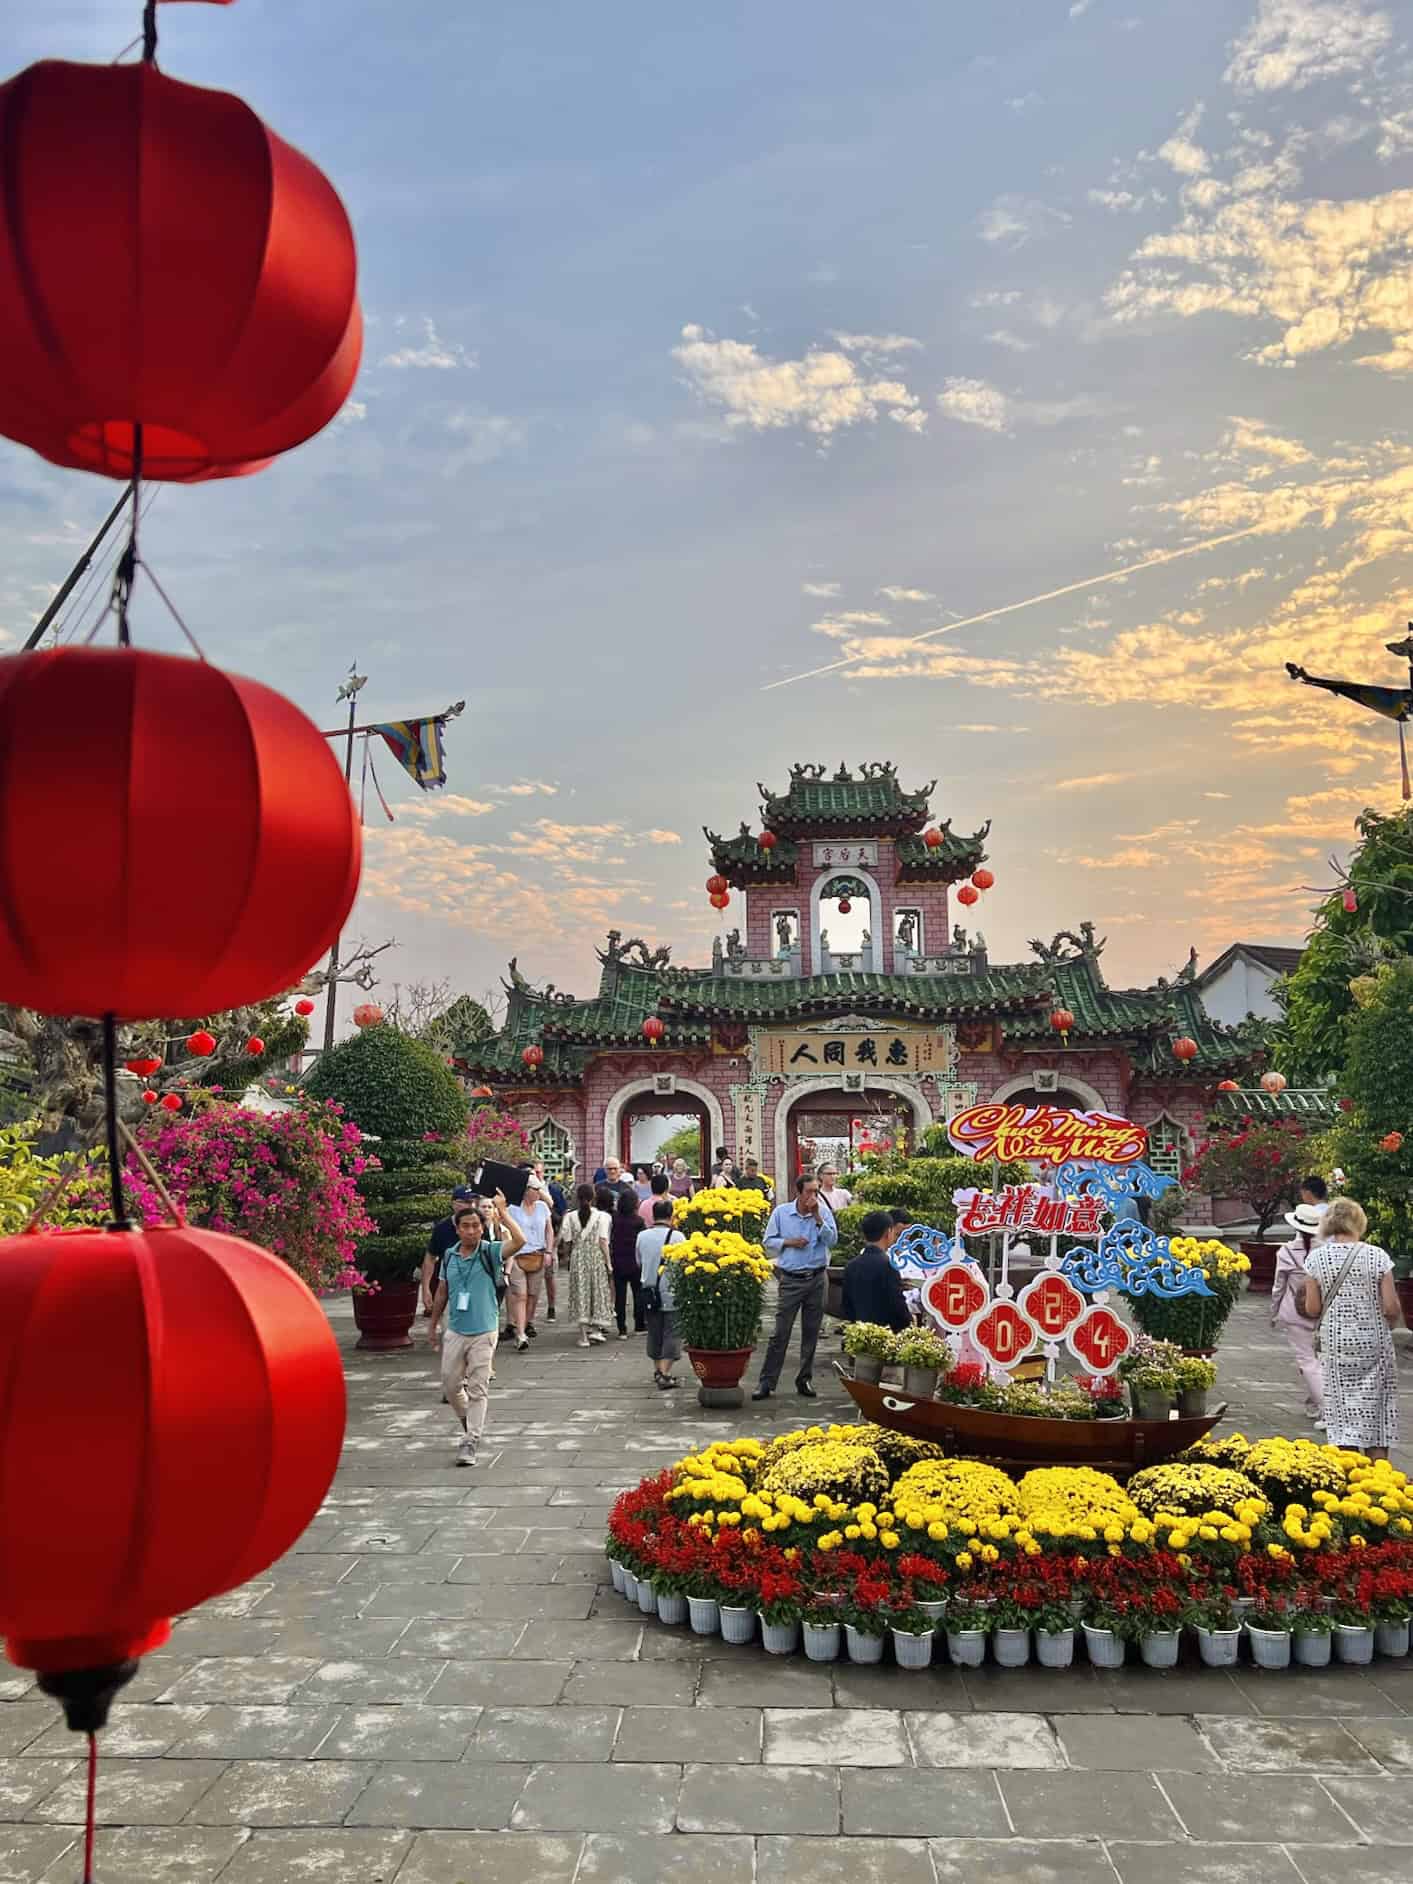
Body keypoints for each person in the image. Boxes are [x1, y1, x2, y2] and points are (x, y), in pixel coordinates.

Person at [427, 1193, 523, 1466]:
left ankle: (470, 1440)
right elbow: (442, 1291)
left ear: (482, 1228)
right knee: (450, 1384)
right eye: (465, 1226)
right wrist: (433, 1324)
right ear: (457, 1229)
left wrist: (504, 1213)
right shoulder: (449, 1255)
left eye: (475, 1226)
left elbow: (519, 1242)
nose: (470, 1231)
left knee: (478, 1388)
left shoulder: (490, 1251)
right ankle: (467, 1421)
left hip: (484, 1329)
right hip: (456, 1329)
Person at [1302, 1197, 1402, 1460]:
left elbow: (1312, 1308)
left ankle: (1349, 1476)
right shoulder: (1377, 1256)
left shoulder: (1316, 1259)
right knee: (1377, 1419)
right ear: (1359, 1221)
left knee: (1342, 1416)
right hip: (1374, 1343)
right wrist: (1388, 1325)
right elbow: (1391, 1307)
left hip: (1336, 1345)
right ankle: (1379, 1477)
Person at [753, 1175, 839, 1400]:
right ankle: (766, 1381)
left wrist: (817, 1217)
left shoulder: (823, 1212)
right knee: (780, 1332)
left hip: (817, 1278)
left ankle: (804, 1379)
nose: (813, 1196)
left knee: (811, 1332)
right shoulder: (782, 1213)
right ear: (798, 1192)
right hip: (791, 1279)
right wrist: (789, 1242)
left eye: (816, 1191)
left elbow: (832, 1241)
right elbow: (768, 1242)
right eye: (809, 1191)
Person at [1272, 1203, 1326, 1427]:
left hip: (1295, 1312)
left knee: (1307, 1361)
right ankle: (1315, 1402)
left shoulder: (1286, 1252)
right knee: (1320, 1360)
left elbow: (1279, 1287)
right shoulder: (1326, 1251)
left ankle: (1326, 1409)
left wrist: (1274, 1311)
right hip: (1323, 1312)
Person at [637, 1198, 686, 1389]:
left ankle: (658, 1371)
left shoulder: (642, 1236)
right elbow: (684, 1263)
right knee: (672, 1333)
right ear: (671, 1216)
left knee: (654, 1332)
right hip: (671, 1291)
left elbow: (639, 1261)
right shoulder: (678, 1237)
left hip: (649, 1292)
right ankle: (665, 1374)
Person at [505, 1176, 554, 1353]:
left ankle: (524, 1326)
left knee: (533, 1295)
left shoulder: (542, 1207)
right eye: (536, 1189)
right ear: (526, 1190)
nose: (539, 1193)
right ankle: (519, 1333)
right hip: (517, 1256)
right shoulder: (512, 1209)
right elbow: (507, 1232)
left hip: (538, 1254)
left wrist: (549, 1251)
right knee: (521, 1295)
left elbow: (549, 1230)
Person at [561, 1182, 613, 1347]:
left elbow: (567, 1240)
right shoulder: (602, 1217)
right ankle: (596, 1329)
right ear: (593, 1197)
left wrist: (567, 1257)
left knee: (581, 1293)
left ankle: (583, 1336)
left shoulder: (570, 1217)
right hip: (596, 1256)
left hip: (578, 1257)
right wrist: (608, 1263)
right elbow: (603, 1241)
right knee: (598, 1291)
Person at [840, 1209, 911, 1329]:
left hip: (858, 1331)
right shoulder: (889, 1266)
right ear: (888, 1232)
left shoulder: (851, 1266)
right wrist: (909, 1322)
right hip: (884, 1332)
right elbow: (897, 1306)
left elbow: (846, 1306)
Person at [422, 1184, 478, 1318]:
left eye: (472, 1202)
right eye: (465, 1202)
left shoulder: (481, 1226)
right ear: (454, 1204)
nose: (470, 1205)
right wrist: (425, 1289)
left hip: (476, 1284)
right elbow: (430, 1258)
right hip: (448, 1285)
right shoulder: (442, 1229)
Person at [609, 1186, 647, 1336]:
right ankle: (639, 1325)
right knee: (638, 1294)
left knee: (620, 1296)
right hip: (635, 1261)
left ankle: (622, 1329)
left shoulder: (614, 1219)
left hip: (618, 1261)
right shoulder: (639, 1221)